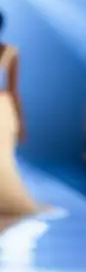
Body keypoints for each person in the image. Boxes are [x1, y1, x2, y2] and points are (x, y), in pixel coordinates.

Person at [0, 12, 38, 216]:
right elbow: (13, 90)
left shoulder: (11, 52)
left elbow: (13, 89)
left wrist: (20, 121)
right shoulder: (11, 52)